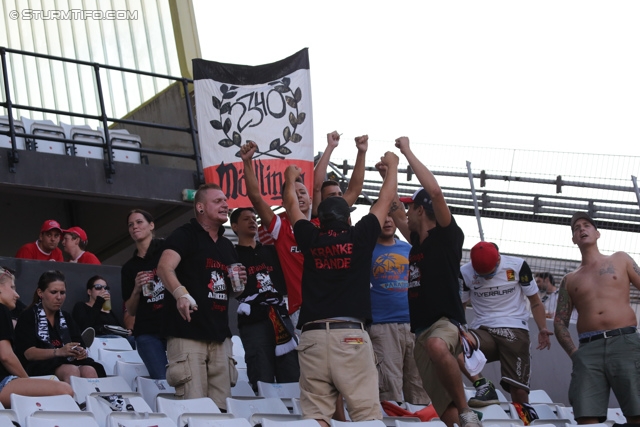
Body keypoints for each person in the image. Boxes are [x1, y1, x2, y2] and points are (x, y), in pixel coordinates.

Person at [283, 150, 399, 427]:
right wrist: (393, 166)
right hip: (350, 337)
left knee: (316, 419)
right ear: (348, 217)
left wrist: (289, 178)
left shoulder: (310, 236)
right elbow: (385, 200)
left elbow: (290, 205)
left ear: (319, 220)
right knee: (367, 417)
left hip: (311, 338)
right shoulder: (359, 235)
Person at [389, 136, 479, 427]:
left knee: (440, 347)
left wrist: (407, 152)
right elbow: (393, 209)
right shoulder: (416, 243)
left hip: (445, 324)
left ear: (419, 210)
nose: (404, 215)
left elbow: (436, 193)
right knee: (444, 410)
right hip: (420, 334)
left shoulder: (447, 237)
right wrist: (387, 174)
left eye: (409, 208)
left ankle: (468, 409)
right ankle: (460, 416)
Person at [157, 183, 246, 410]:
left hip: (220, 335)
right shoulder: (184, 235)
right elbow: (164, 268)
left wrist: (239, 285)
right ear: (200, 207)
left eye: (226, 201)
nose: (225, 205)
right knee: (195, 410)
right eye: (218, 201)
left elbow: (230, 291)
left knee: (221, 410)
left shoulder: (227, 245)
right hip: (187, 333)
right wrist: (181, 295)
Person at [554, 212, 640, 425]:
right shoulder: (570, 279)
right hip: (588, 349)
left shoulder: (620, 259)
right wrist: (575, 355)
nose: (581, 229)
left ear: (597, 233)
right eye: (576, 228)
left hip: (625, 341)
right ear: (574, 239)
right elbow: (559, 322)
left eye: (586, 225)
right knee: (586, 416)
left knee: (637, 412)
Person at [459, 241, 553, 406]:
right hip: (482, 329)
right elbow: (461, 306)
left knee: (519, 390)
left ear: (498, 259)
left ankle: (524, 421)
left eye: (490, 273)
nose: (487, 278)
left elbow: (535, 301)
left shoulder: (517, 266)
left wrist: (542, 328)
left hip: (514, 329)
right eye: (482, 275)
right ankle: (483, 387)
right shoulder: (465, 273)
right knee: (452, 344)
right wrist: (460, 329)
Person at [230, 207, 299, 391]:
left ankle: (294, 416)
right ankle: (265, 414)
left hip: (280, 316)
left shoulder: (272, 251)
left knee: (291, 371)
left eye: (255, 218)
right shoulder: (231, 255)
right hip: (253, 320)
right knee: (261, 372)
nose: (253, 221)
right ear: (234, 226)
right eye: (246, 219)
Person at [369, 213, 430, 405]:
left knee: (420, 387)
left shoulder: (411, 249)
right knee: (388, 388)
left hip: (415, 326)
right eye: (382, 216)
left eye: (391, 216)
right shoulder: (365, 249)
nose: (387, 220)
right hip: (382, 327)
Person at [14, 270, 106, 383]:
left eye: (62, 293)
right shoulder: (28, 316)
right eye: (53, 292)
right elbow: (28, 353)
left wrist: (80, 352)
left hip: (66, 361)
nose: (59, 297)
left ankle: (91, 401)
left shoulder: (66, 317)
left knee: (90, 370)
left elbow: (79, 342)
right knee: (70, 371)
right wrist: (58, 351)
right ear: (40, 293)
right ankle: (72, 401)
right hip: (38, 365)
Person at [0, 267, 74, 407]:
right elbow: (6, 356)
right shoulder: (1, 309)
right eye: (12, 287)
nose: (17, 295)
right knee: (64, 390)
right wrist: (27, 381)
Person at [121, 209, 168, 379]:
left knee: (185, 379)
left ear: (151, 225)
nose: (134, 227)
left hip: (174, 326)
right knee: (163, 380)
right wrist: (136, 289)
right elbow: (131, 310)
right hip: (147, 331)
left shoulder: (167, 251)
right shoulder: (129, 267)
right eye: (130, 225)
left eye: (139, 222)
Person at [312, 131, 367, 217]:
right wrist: (330, 146)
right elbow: (316, 187)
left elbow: (355, 189)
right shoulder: (317, 212)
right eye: (331, 195)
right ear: (320, 200)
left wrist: (361, 152)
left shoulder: (341, 209)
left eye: (340, 194)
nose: (338, 197)